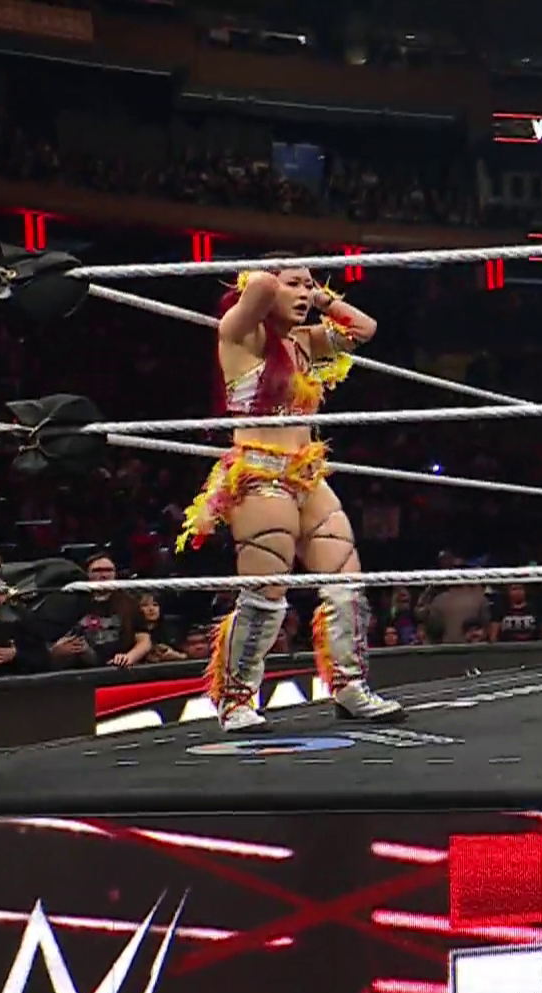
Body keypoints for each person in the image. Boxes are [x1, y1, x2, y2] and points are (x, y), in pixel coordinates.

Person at [176, 256, 402, 730]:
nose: (304, 294)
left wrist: (318, 295)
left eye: (308, 285)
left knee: (346, 581)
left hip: (307, 475)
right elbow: (259, 284)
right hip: (259, 474)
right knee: (266, 591)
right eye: (294, 285)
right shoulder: (240, 333)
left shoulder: (304, 341)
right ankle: (236, 699)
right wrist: (274, 281)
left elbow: (365, 328)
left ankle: (349, 686)